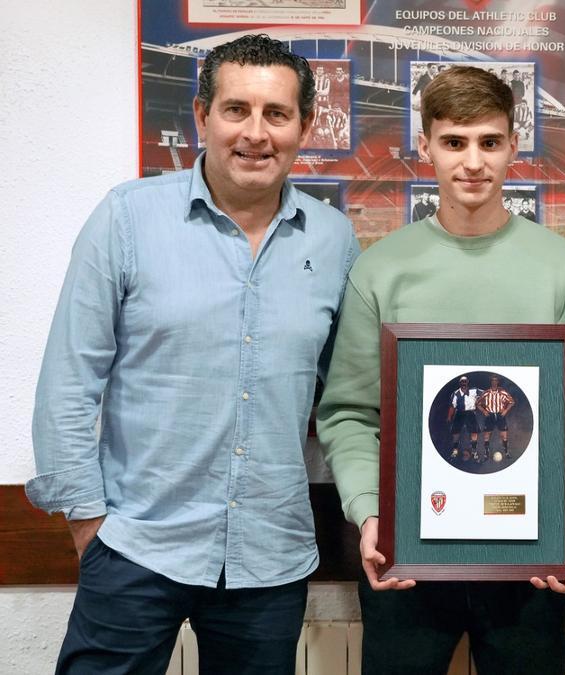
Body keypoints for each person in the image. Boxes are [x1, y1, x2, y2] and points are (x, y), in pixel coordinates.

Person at [26, 34, 359, 674]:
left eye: (277, 114)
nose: (256, 133)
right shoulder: (126, 218)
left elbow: (345, 394)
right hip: (134, 547)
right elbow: (69, 383)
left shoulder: (334, 238)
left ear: (305, 126)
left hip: (269, 556)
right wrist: (88, 527)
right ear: (202, 116)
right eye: (236, 110)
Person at [316, 65, 565, 675]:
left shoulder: (562, 269)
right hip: (408, 555)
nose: (473, 162)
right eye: (454, 142)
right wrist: (371, 514)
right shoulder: (381, 269)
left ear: (513, 148)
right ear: (425, 147)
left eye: (489, 142)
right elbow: (348, 412)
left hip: (531, 558)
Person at [479, 374, 516, 460]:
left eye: (496, 380)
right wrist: (484, 411)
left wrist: (506, 410)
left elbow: (512, 402)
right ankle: (486, 453)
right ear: (491, 382)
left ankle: (506, 452)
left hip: (500, 415)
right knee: (486, 435)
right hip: (490, 415)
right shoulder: (486, 393)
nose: (494, 382)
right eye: (493, 380)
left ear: (498, 382)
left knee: (504, 435)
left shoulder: (502, 392)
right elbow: (478, 404)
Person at [447, 376, 483, 461]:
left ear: (467, 382)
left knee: (474, 432)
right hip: (460, 413)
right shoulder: (455, 393)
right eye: (462, 382)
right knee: (455, 432)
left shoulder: (474, 390)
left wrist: (480, 400)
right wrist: (449, 416)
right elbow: (452, 406)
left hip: (470, 413)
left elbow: (485, 393)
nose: (464, 383)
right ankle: (455, 450)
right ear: (460, 383)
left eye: (465, 382)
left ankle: (474, 451)